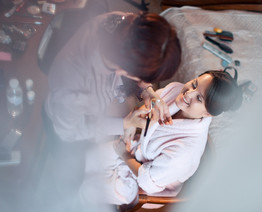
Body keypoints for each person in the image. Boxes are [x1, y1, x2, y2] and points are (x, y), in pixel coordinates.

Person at [82, 67, 251, 205]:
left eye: (199, 98)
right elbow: (148, 107)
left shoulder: (185, 153)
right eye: (194, 84)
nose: (188, 94)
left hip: (144, 180)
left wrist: (124, 155)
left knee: (86, 190)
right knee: (84, 161)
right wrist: (134, 119)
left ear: (207, 113)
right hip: (136, 148)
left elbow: (147, 181)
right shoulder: (176, 90)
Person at [45, 11, 181, 142]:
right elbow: (68, 132)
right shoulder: (73, 86)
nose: (144, 83)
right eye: (143, 79)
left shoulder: (126, 24)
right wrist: (124, 124)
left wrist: (148, 91)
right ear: (124, 71)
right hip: (69, 125)